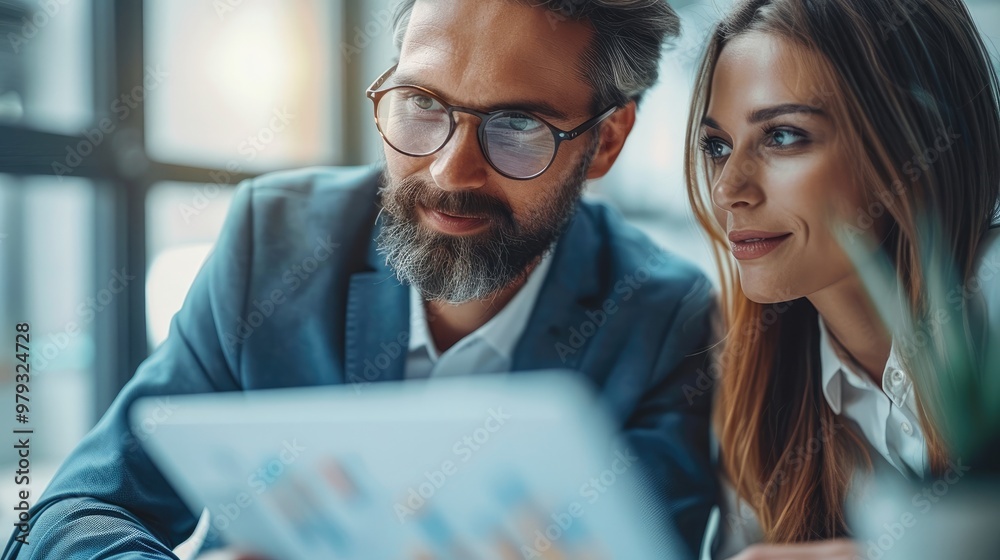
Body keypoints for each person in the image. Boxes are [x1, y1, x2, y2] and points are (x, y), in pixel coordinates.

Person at [4, 1, 719, 559]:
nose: (449, 172)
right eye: (422, 103)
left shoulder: (666, 322)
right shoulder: (274, 246)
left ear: (608, 141)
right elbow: (69, 517)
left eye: (516, 125)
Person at [684, 0, 1000, 558]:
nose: (728, 189)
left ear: (911, 143)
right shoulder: (759, 391)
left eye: (782, 136)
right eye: (717, 146)